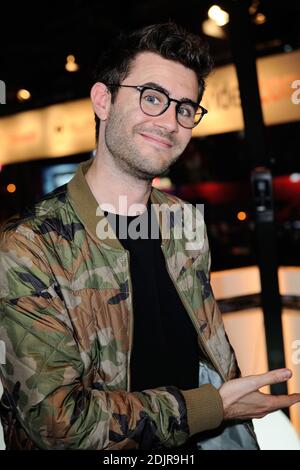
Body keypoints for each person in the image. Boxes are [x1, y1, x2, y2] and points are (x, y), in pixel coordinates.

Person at [0, 22, 299, 451]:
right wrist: (210, 406)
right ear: (103, 100)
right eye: (153, 98)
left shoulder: (184, 224)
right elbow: (58, 424)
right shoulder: (30, 245)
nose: (170, 122)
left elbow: (204, 351)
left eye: (184, 108)